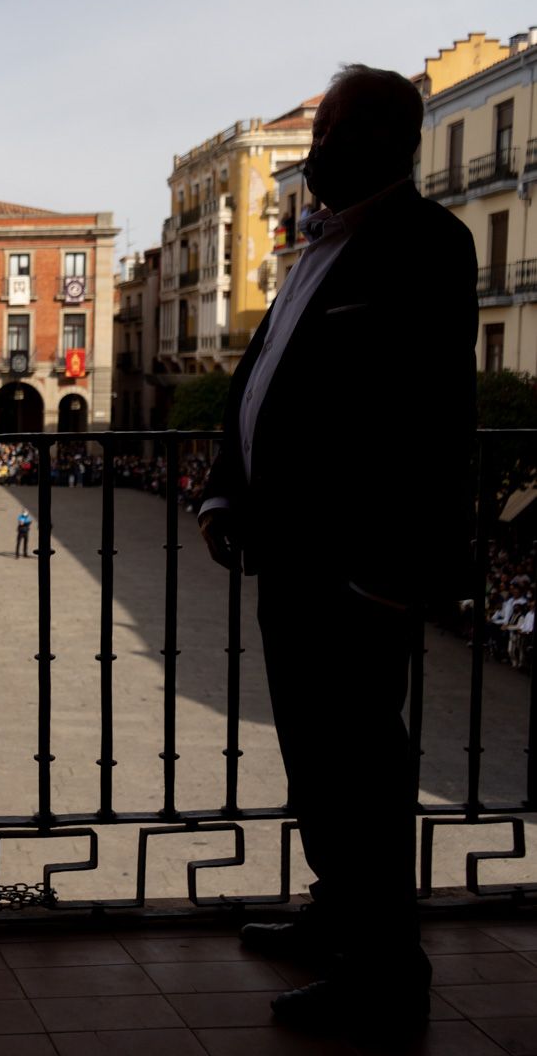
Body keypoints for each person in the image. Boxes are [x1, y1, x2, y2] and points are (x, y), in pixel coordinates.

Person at [198, 64, 476, 1035]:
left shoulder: (426, 246)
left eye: (338, 131)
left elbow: (431, 421)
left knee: (364, 771)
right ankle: (337, 913)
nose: (317, 151)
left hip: (356, 574)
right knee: (319, 759)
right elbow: (263, 381)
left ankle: (384, 971)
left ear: (393, 139)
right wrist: (223, 489)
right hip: (290, 560)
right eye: (319, 131)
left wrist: (389, 576)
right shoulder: (319, 250)